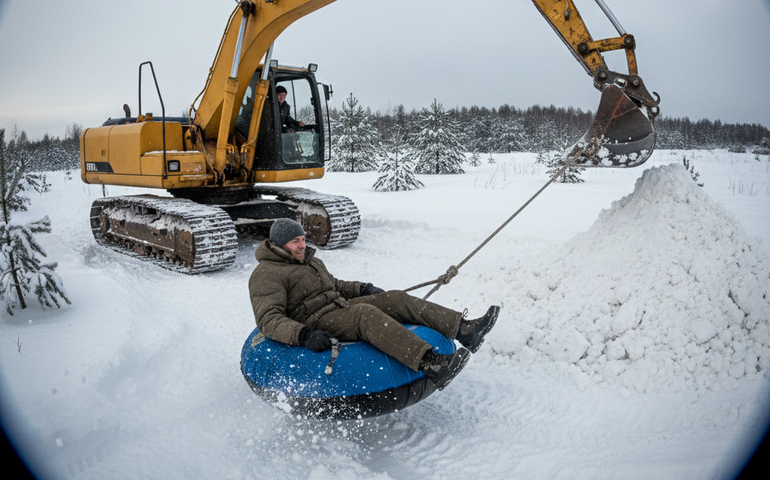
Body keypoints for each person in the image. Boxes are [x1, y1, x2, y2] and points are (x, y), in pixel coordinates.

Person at [248, 218, 501, 390]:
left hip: (338, 305)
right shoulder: (267, 274)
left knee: (395, 298)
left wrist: (363, 288)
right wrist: (304, 335)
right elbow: (268, 319)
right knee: (364, 315)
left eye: (302, 239)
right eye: (296, 242)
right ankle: (431, 363)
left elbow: (333, 284)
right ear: (280, 245)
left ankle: (465, 330)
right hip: (314, 319)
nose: (302, 245)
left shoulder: (309, 261)